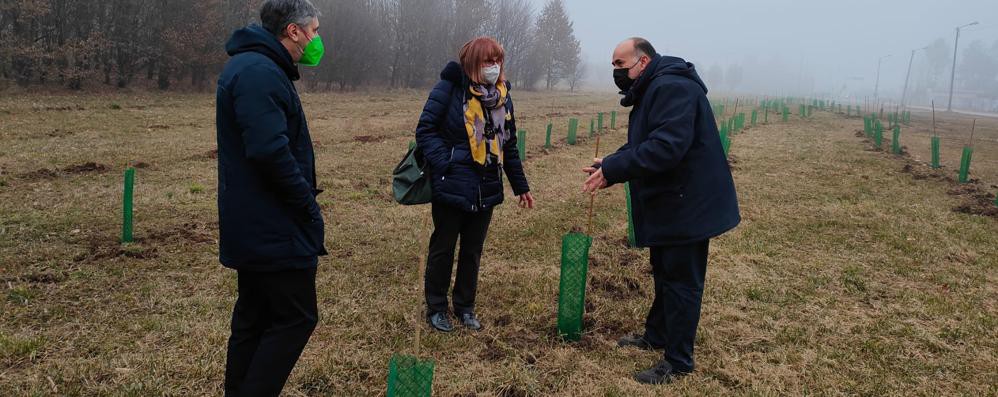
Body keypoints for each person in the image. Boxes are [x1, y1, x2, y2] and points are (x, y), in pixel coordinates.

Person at [582, 37, 740, 385]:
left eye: (620, 65)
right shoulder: (654, 87)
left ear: (643, 61)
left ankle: (679, 361)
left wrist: (615, 168)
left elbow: (666, 147)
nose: (616, 73)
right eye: (612, 66)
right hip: (674, 201)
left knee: (682, 280)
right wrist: (610, 164)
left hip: (689, 204)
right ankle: (656, 335)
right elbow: (645, 143)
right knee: (663, 270)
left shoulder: (671, 88)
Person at [214, 0, 327, 395]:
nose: (317, 40)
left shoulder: (256, 67)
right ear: (293, 31)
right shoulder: (260, 72)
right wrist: (307, 207)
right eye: (313, 30)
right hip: (273, 224)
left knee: (254, 318)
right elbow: (268, 151)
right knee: (296, 318)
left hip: (257, 222)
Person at [415, 37, 535, 333]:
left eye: (497, 61)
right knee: (443, 247)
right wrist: (448, 162)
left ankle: (465, 307)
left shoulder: (503, 97)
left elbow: (510, 144)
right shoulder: (449, 90)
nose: (493, 67)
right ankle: (436, 308)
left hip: (487, 185)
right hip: (452, 185)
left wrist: (520, 186)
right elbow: (425, 130)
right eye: (487, 61)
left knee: (473, 250)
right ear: (471, 63)